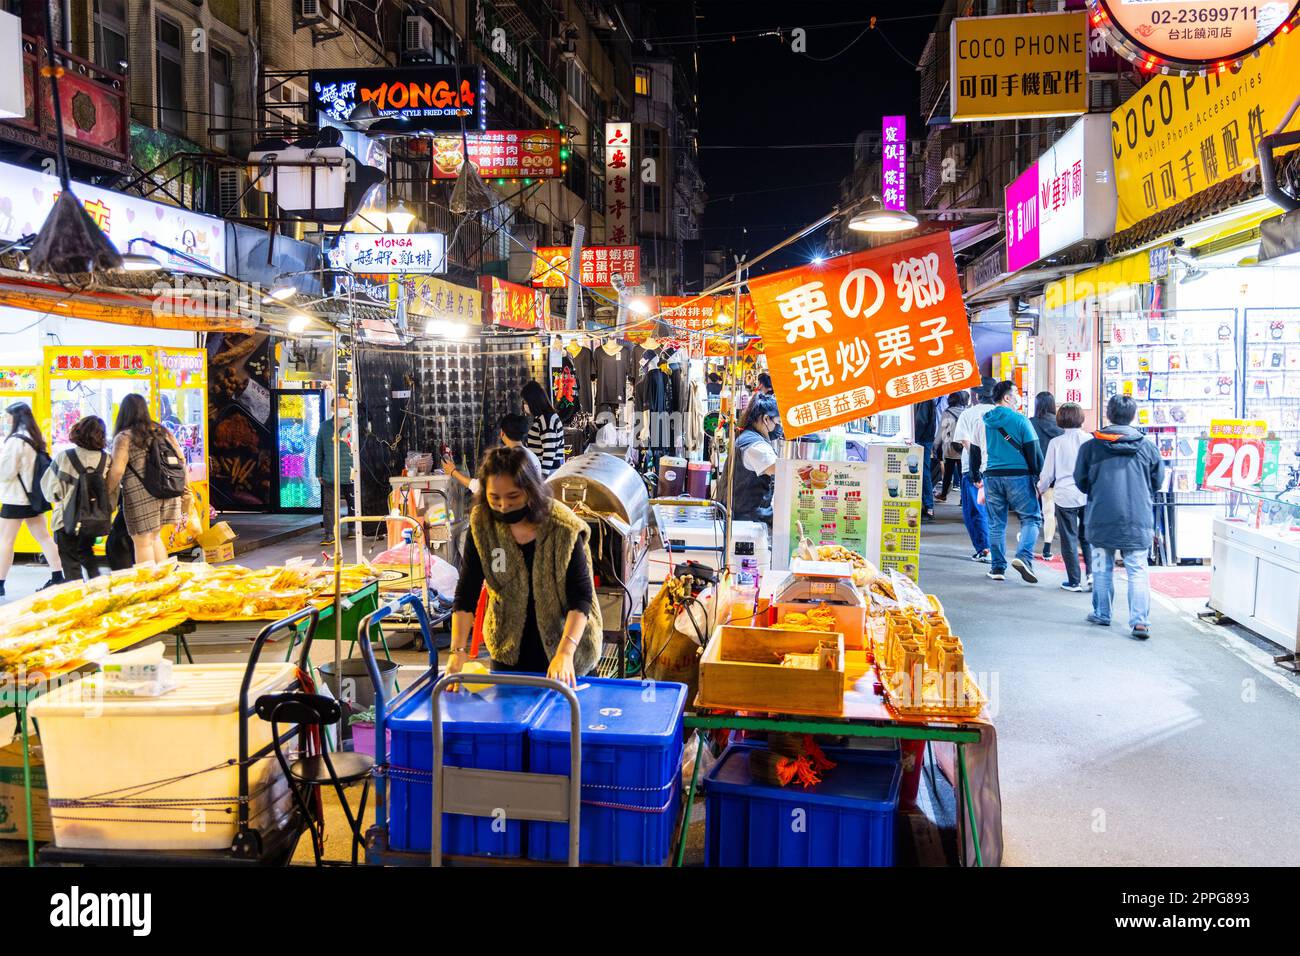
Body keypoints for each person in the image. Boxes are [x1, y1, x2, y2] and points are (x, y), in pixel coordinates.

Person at [445, 446, 601, 686]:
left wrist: (565, 654)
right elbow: (466, 593)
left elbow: (581, 598)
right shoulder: (482, 525)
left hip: (567, 653)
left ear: (530, 491)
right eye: (494, 497)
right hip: (508, 652)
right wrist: (457, 651)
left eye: (513, 496)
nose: (503, 506)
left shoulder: (564, 528)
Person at [1074, 395, 1165, 639]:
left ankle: (1102, 613)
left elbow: (1080, 481)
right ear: (1133, 416)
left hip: (1101, 516)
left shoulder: (1091, 447)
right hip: (1138, 517)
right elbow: (1157, 481)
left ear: (1109, 415)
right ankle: (1140, 622)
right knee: (1137, 569)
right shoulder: (1148, 446)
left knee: (1103, 567)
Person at [106, 394, 191, 567]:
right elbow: (181, 460)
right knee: (155, 537)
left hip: (141, 495)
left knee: (142, 541)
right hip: (168, 490)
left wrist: (106, 491)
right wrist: (185, 491)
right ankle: (164, 582)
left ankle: (149, 585)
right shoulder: (162, 431)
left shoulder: (124, 437)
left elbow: (117, 471)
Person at [978, 381, 1044, 584]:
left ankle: (997, 567)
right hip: (1018, 476)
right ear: (1007, 397)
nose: (1018, 398)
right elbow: (1033, 451)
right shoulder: (1021, 420)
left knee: (996, 523)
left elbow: (975, 449)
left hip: (991, 476)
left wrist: (976, 475)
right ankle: (1024, 557)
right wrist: (1039, 477)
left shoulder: (984, 421)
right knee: (1031, 518)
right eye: (1016, 394)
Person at [0, 402, 64, 595]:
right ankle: (58, 576)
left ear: (16, 417)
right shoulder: (35, 438)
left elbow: (6, 472)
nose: (6, 419)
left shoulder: (14, 441)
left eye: (8, 416)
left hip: (15, 498)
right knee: (44, 537)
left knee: (5, 541)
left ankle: (0, 583)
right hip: (34, 497)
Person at [40, 415, 110, 583]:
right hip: (94, 519)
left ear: (79, 431)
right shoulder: (106, 458)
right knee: (87, 553)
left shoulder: (65, 457)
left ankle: (78, 597)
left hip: (67, 520)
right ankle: (98, 591)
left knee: (70, 561)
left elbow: (51, 490)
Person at [1037, 402, 1092, 593]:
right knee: (1088, 537)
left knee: (1069, 538)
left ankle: (1074, 581)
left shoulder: (1056, 443)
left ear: (1061, 419)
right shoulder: (1090, 440)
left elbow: (1048, 473)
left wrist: (1041, 488)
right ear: (1081, 418)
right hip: (1087, 494)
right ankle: (1092, 575)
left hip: (1065, 495)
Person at [443, 413, 542, 493]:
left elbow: (479, 487)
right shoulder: (533, 457)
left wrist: (453, 472)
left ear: (502, 433)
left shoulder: (503, 459)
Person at [952, 387, 995, 562]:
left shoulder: (968, 414)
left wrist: (976, 457)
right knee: (995, 511)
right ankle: (997, 551)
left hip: (972, 469)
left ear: (977, 396)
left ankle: (984, 549)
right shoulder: (1003, 414)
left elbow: (965, 440)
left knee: (975, 510)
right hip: (997, 467)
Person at [725, 394, 780, 526]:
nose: (779, 428)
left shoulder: (746, 436)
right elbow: (780, 470)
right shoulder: (756, 446)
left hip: (740, 518)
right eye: (778, 422)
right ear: (766, 419)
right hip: (747, 522)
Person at [314, 397, 355, 546]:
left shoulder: (352, 425)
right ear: (332, 408)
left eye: (346, 406)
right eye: (340, 406)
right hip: (330, 474)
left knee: (353, 503)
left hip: (350, 473)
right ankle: (329, 534)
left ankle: (353, 528)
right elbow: (319, 452)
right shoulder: (324, 427)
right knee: (329, 506)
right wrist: (318, 472)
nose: (344, 409)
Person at [1029, 391, 1064, 560]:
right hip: (1057, 474)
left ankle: (1027, 542)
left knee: (1031, 511)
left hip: (1034, 473)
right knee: (1050, 511)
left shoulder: (1030, 423)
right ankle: (1047, 549)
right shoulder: (1061, 426)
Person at [521, 380, 565, 476]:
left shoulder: (546, 420)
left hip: (548, 472)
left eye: (525, 402)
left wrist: (543, 476)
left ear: (533, 402)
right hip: (546, 470)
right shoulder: (545, 418)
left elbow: (549, 451)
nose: (523, 405)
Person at [936, 389, 969, 502]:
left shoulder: (947, 412)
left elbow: (942, 432)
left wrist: (936, 446)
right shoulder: (967, 412)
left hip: (950, 448)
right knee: (963, 475)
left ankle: (943, 495)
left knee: (948, 473)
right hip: (964, 448)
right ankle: (963, 499)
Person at [912, 398, 937, 521]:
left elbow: (921, 421)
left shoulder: (924, 399)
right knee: (923, 471)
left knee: (923, 471)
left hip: (922, 439)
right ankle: (927, 505)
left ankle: (928, 507)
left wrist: (913, 438)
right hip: (926, 438)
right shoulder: (928, 399)